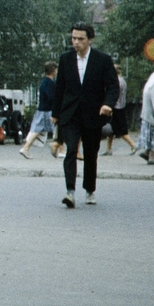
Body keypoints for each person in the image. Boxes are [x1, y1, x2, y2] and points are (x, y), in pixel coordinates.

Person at [53, 23, 117, 209]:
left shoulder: (102, 60)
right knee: (71, 150)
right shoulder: (65, 59)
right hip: (70, 114)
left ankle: (89, 189)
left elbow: (113, 86)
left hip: (93, 114)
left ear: (90, 39)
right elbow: (60, 88)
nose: (76, 42)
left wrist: (107, 104)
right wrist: (55, 114)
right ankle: (70, 192)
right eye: (73, 38)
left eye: (80, 39)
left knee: (90, 154)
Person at [20, 62, 60, 160]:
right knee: (58, 128)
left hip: (42, 110)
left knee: (38, 130)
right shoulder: (49, 83)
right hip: (47, 111)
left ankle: (26, 148)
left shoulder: (45, 82)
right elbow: (51, 97)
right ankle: (58, 148)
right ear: (53, 70)